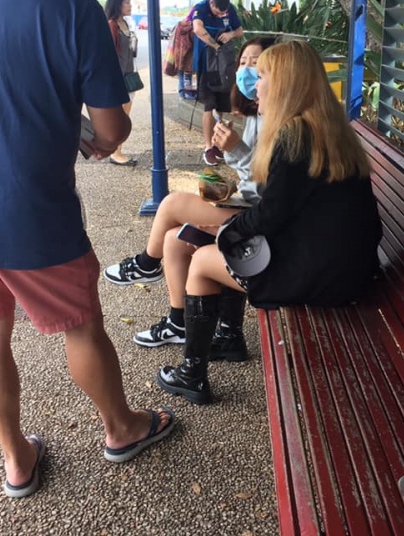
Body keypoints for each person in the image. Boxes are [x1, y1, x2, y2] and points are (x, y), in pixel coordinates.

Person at [0, 0, 174, 498]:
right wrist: (94, 136)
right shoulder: (74, 9)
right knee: (81, 327)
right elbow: (111, 129)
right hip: (33, 211)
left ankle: (17, 460)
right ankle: (122, 428)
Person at [155, 40, 383, 405]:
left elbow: (271, 214)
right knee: (227, 246)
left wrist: (226, 232)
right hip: (347, 270)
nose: (255, 84)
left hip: (322, 277)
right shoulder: (329, 129)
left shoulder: (295, 134)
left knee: (201, 262)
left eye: (262, 76)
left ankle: (191, 374)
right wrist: (232, 231)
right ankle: (226, 338)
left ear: (285, 83)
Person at [103, 37, 277, 362]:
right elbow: (256, 176)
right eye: (242, 63)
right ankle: (179, 322)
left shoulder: (281, 120)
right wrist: (230, 157)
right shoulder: (257, 113)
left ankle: (146, 264)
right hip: (250, 206)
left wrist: (237, 150)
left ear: (279, 73)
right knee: (173, 239)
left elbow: (270, 184)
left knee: (171, 204)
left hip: (260, 218)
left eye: (257, 65)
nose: (247, 72)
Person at [191, 0, 244, 166]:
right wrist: (215, 45)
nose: (221, 14)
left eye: (223, 12)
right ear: (211, 3)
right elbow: (197, 28)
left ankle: (217, 145)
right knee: (209, 106)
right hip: (207, 65)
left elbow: (240, 31)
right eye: (218, 11)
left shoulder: (230, 10)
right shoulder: (201, 8)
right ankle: (208, 147)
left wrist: (230, 34)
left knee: (220, 107)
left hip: (225, 66)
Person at [105, 0, 138, 166]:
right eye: (127, 2)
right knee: (120, 117)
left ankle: (117, 151)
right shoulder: (112, 25)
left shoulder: (125, 23)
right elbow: (108, 55)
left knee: (125, 115)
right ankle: (115, 153)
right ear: (117, 3)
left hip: (129, 76)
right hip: (119, 79)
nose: (130, 5)